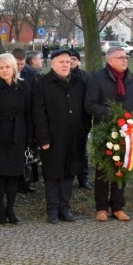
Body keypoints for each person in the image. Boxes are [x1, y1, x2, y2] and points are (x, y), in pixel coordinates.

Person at [32, 49, 91, 224]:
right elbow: (38, 113)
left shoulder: (79, 82)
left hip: (75, 137)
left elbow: (85, 111)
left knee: (69, 173)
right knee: (52, 174)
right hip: (52, 138)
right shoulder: (42, 83)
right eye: (61, 62)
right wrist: (43, 138)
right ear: (53, 64)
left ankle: (65, 208)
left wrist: (84, 131)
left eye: (68, 61)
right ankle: (52, 210)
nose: (65, 65)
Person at [85, 46, 133, 222]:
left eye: (125, 57)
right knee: (103, 169)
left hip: (127, 131)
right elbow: (90, 104)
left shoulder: (132, 79)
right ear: (109, 60)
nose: (125, 60)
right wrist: (114, 115)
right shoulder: (97, 78)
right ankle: (101, 208)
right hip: (104, 131)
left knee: (122, 168)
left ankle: (117, 206)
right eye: (120, 57)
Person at [0, 53, 31, 224]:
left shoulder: (23, 86)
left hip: (17, 135)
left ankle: (10, 208)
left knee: (14, 175)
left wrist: (30, 137)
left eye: (7, 67)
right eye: (0, 67)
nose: (4, 70)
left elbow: (28, 112)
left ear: (14, 68)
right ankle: (0, 211)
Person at [68, 48, 91, 190]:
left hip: (81, 119)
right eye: (68, 59)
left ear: (79, 61)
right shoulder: (61, 75)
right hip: (65, 120)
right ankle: (68, 177)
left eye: (74, 60)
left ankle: (83, 178)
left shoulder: (85, 77)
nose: (70, 62)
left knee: (82, 151)